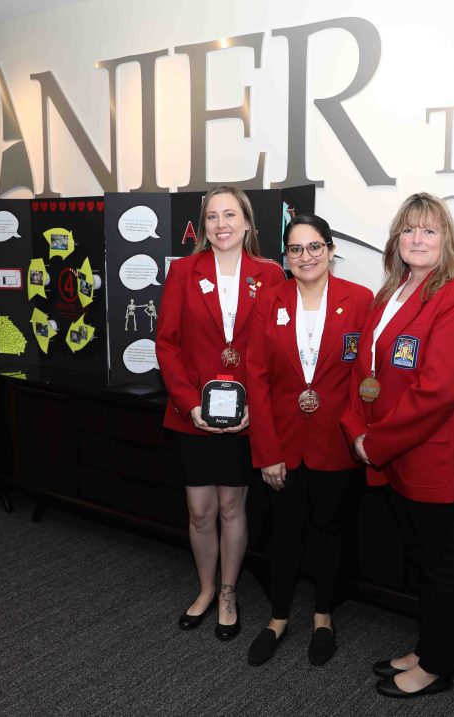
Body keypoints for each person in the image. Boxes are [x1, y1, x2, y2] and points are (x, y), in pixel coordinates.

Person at [341, 192, 454, 698]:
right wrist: (356, 426)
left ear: (446, 240)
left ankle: (439, 666)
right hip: (392, 452)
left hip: (429, 457)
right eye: (409, 230)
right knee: (423, 561)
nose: (417, 239)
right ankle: (427, 647)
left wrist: (372, 441)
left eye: (429, 230)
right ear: (396, 240)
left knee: (441, 568)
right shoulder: (391, 293)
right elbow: (366, 371)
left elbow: (440, 390)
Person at [155, 185, 286, 641]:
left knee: (232, 506)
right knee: (198, 510)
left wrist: (256, 402)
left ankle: (229, 592)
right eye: (213, 216)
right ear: (203, 225)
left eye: (231, 215)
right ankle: (206, 589)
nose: (222, 224)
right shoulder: (183, 272)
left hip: (246, 411)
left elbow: (276, 348)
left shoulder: (269, 275)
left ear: (248, 223)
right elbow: (166, 344)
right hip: (193, 411)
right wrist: (190, 405)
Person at [244, 214, 373, 667]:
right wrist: (267, 452)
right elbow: (255, 379)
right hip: (282, 443)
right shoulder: (269, 301)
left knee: (329, 532)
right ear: (286, 258)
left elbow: (365, 375)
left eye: (315, 246)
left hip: (336, 442)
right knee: (284, 533)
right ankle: (277, 618)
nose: (307, 256)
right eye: (296, 249)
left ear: (332, 249)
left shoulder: (360, 301)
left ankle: (323, 616)